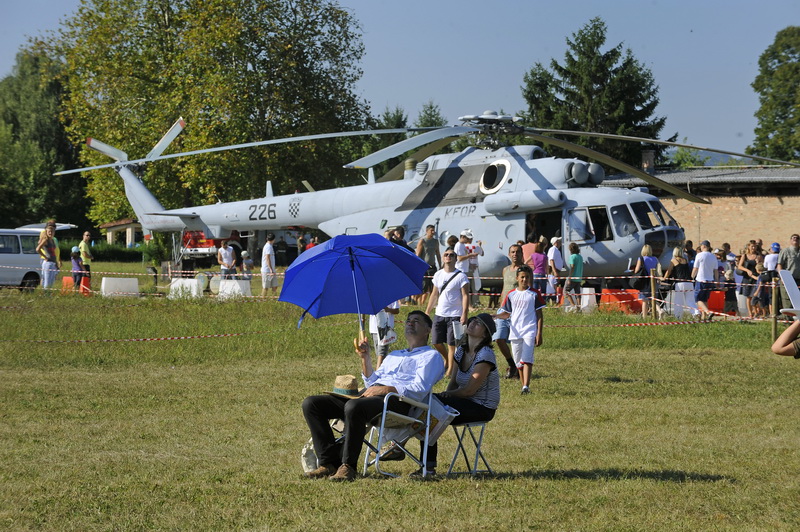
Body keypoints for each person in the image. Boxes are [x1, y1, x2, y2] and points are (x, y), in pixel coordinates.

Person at [301, 310, 445, 482]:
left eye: (416, 320)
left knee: (354, 407)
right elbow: (372, 382)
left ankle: (348, 466)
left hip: (398, 402)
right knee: (312, 404)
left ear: (428, 330)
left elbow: (419, 389)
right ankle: (329, 463)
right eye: (408, 320)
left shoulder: (431, 356)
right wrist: (365, 358)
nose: (410, 323)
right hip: (371, 397)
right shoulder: (394, 355)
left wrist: (387, 389)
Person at [418, 313, 500, 475]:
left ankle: (426, 465)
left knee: (430, 406)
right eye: (472, 320)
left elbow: (469, 391)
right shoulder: (461, 351)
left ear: (485, 334)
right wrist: (443, 396)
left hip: (481, 407)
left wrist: (443, 397)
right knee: (428, 406)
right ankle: (425, 465)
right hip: (463, 403)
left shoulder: (485, 354)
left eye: (478, 323)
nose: (472, 323)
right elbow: (453, 383)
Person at [494, 265, 545, 395]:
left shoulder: (534, 294)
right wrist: (495, 316)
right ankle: (523, 385)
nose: (524, 280)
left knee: (527, 359)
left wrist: (539, 333)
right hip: (515, 331)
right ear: (517, 278)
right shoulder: (511, 294)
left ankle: (526, 387)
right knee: (518, 363)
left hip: (529, 330)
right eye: (522, 277)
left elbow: (539, 315)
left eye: (527, 277)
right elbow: (507, 313)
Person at [425, 248, 469, 376]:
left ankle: (449, 371)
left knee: (451, 344)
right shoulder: (438, 274)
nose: (448, 256)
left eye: (451, 255)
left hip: (455, 314)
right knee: (436, 341)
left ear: (455, 259)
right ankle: (448, 360)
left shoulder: (461, 276)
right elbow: (434, 294)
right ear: (443, 258)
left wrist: (464, 314)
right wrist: (427, 311)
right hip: (440, 313)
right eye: (446, 254)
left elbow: (465, 296)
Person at [493, 244, 525, 379]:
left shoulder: (525, 270)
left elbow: (527, 290)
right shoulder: (505, 270)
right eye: (512, 252)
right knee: (499, 338)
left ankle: (519, 368)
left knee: (516, 341)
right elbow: (504, 288)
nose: (515, 254)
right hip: (503, 310)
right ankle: (512, 364)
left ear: (522, 254)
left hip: (517, 310)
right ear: (509, 254)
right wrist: (500, 303)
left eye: (517, 252)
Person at [415, 224, 441, 307]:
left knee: (433, 287)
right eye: (431, 230)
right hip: (424, 267)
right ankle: (416, 301)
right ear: (427, 231)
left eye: (433, 231)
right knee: (424, 286)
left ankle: (432, 304)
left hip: (432, 266)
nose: (433, 232)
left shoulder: (435, 242)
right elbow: (418, 254)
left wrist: (440, 265)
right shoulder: (423, 241)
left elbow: (438, 253)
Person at [369, 300, 400, 367]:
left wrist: (387, 309)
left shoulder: (391, 296)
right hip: (374, 328)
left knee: (381, 353)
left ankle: (378, 371)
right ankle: (383, 369)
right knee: (378, 353)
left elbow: (397, 310)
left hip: (385, 329)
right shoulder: (371, 296)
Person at [692, 240, 717, 321]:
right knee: (704, 300)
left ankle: (708, 312)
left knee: (698, 300)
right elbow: (716, 270)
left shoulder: (699, 255)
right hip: (710, 280)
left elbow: (695, 268)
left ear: (704, 246)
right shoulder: (713, 256)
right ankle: (704, 318)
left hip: (701, 280)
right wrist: (716, 281)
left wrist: (692, 277)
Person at [633, 244, 660, 319]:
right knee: (653, 299)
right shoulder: (655, 259)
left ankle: (644, 317)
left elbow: (636, 270)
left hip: (645, 282)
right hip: (653, 280)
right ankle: (660, 311)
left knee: (645, 300)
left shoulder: (641, 258)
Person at [777, 234, 800, 313]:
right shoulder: (785, 251)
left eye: (797, 238)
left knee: (798, 302)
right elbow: (779, 265)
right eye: (793, 238)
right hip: (788, 280)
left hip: (798, 280)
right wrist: (782, 277)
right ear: (790, 240)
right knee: (787, 301)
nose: (795, 239)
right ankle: (787, 319)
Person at [737, 241, 760, 317]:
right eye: (752, 246)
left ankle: (756, 311)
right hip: (747, 278)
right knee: (748, 296)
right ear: (749, 247)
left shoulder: (758, 255)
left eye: (755, 246)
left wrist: (758, 262)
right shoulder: (745, 256)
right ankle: (750, 313)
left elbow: (762, 266)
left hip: (755, 277)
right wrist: (747, 270)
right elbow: (739, 266)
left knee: (755, 295)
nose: (753, 248)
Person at [35, 223, 60, 292]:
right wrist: (45, 256)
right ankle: (46, 294)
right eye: (49, 231)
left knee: (52, 281)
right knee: (47, 281)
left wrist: (56, 263)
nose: (50, 233)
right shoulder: (45, 240)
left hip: (53, 262)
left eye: (52, 231)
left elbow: (54, 252)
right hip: (48, 263)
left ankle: (49, 294)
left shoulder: (53, 240)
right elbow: (37, 249)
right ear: (46, 232)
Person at [564, 242, 583, 310]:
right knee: (577, 293)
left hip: (573, 278)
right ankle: (579, 307)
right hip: (579, 278)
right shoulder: (580, 257)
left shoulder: (572, 257)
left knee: (566, 292)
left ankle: (573, 305)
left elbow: (572, 267)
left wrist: (569, 277)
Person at [547, 236, 564, 304]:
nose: (560, 243)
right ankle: (553, 300)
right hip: (554, 270)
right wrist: (555, 271)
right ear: (556, 242)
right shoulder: (553, 249)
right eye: (559, 241)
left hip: (556, 269)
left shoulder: (555, 250)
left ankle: (555, 300)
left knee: (555, 285)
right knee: (553, 285)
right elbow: (551, 260)